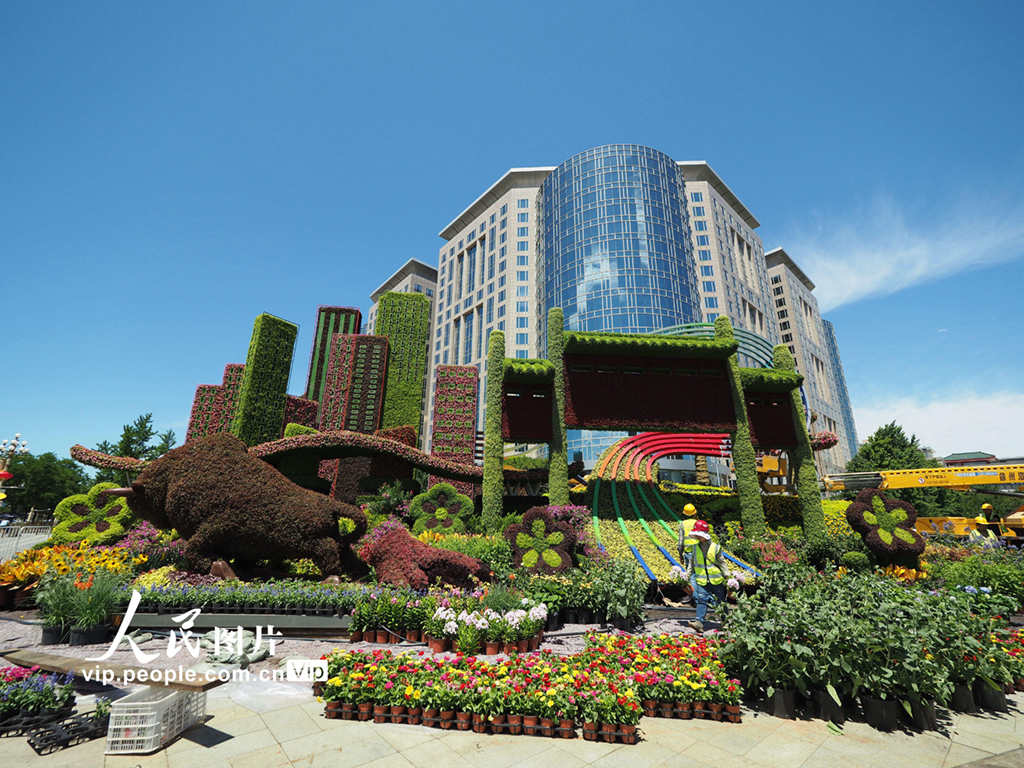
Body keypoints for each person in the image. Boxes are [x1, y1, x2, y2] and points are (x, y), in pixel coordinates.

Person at [683, 519, 728, 631]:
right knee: (701, 600)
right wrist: (686, 576)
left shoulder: (715, 547)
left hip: (716, 580)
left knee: (720, 601)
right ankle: (699, 623)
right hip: (702, 581)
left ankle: (726, 621)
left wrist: (727, 576)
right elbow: (691, 564)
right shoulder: (695, 548)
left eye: (699, 535)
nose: (698, 537)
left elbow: (722, 563)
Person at [677, 504, 700, 603]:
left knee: (692, 576)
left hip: (689, 553)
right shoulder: (698, 523)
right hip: (699, 553)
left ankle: (696, 599)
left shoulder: (683, 524)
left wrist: (680, 555)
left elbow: (680, 542)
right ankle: (700, 597)